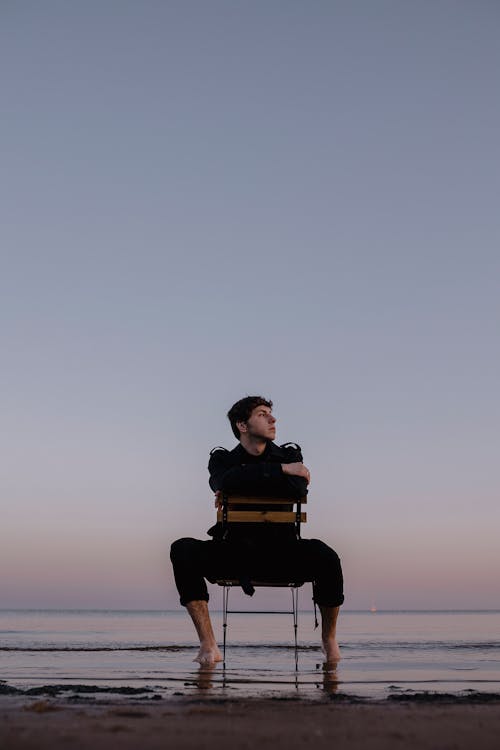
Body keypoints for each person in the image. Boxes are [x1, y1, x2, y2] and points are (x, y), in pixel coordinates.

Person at [170, 396, 344, 666]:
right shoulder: (223, 458)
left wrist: (245, 480)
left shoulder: (289, 453)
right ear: (242, 424)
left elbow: (296, 489)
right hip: (233, 554)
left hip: (283, 553)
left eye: (271, 414)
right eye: (263, 414)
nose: (273, 419)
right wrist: (281, 471)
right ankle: (208, 645)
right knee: (182, 549)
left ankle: (329, 641)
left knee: (327, 556)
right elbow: (224, 480)